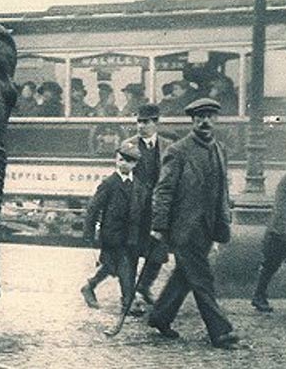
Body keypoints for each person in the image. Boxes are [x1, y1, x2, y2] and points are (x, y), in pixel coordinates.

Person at [146, 98, 240, 349]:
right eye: (200, 117)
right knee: (202, 279)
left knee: (184, 277)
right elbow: (163, 191)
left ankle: (159, 317)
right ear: (193, 120)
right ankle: (220, 332)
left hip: (208, 227)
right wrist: (159, 226)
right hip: (184, 228)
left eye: (210, 116)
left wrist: (223, 222)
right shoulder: (178, 151)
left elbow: (223, 190)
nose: (205, 121)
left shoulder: (220, 149)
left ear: (216, 119)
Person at [121, 104, 172, 306]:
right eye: (139, 121)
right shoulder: (128, 146)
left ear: (156, 123)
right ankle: (127, 296)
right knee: (131, 252)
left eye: (146, 122)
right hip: (135, 208)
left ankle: (144, 285)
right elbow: (122, 177)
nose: (141, 126)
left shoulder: (168, 146)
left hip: (158, 208)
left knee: (159, 252)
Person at [81, 143, 142, 313]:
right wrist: (89, 233)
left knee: (111, 266)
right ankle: (128, 303)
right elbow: (93, 208)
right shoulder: (109, 183)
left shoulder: (137, 184)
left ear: (135, 164)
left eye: (129, 161)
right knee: (124, 267)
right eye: (121, 160)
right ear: (116, 160)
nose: (124, 164)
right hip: (112, 234)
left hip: (130, 235)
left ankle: (89, 286)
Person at [251, 141, 286, 312]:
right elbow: (280, 210)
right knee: (273, 266)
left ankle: (258, 297)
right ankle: (258, 297)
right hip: (280, 236)